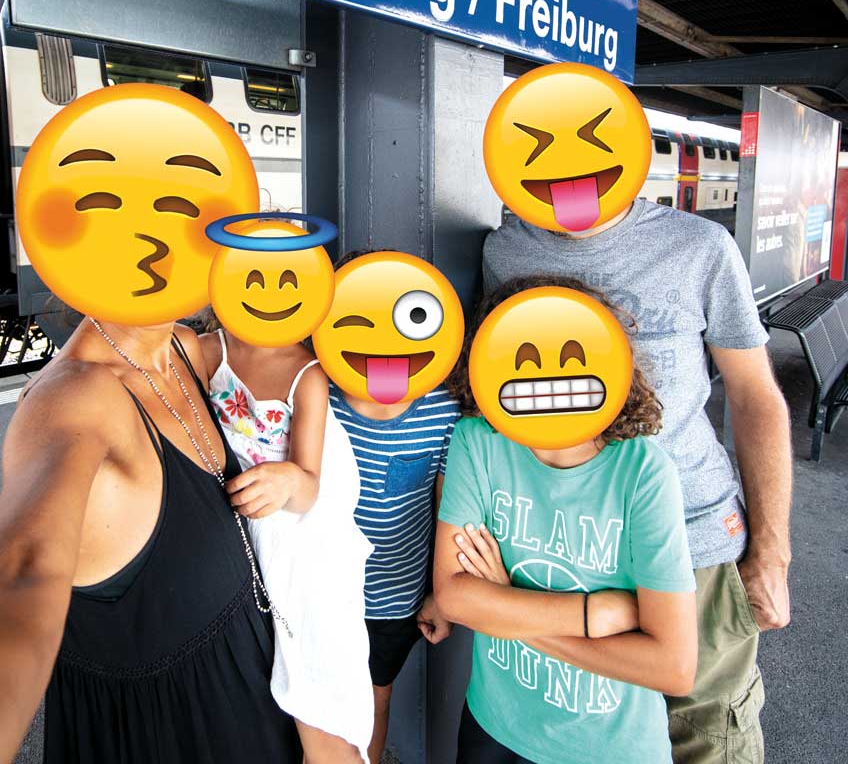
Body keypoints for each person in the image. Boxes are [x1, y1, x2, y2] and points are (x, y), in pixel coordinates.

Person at [0, 317, 302, 764]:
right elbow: (19, 570)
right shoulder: (74, 394)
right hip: (171, 730)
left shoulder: (183, 347)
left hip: (249, 678)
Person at [484, 196, 791, 761]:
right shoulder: (504, 250)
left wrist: (771, 555)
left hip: (696, 546)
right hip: (569, 547)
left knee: (704, 734)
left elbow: (755, 397)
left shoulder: (700, 245)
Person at [435, 275, 698, 764]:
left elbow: (673, 667)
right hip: (494, 726)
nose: (546, 378)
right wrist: (592, 617)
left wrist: (506, 602)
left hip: (609, 750)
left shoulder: (643, 473)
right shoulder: (478, 439)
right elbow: (453, 596)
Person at [200, 322, 373, 763]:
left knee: (317, 693)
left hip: (300, 549)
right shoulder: (205, 352)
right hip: (229, 539)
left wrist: (288, 480)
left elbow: (309, 488)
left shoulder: (306, 374)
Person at [325, 251, 462, 764]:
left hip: (395, 600)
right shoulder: (319, 397)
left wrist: (442, 596)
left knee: (372, 701)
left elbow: (448, 507)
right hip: (319, 594)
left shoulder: (444, 410)